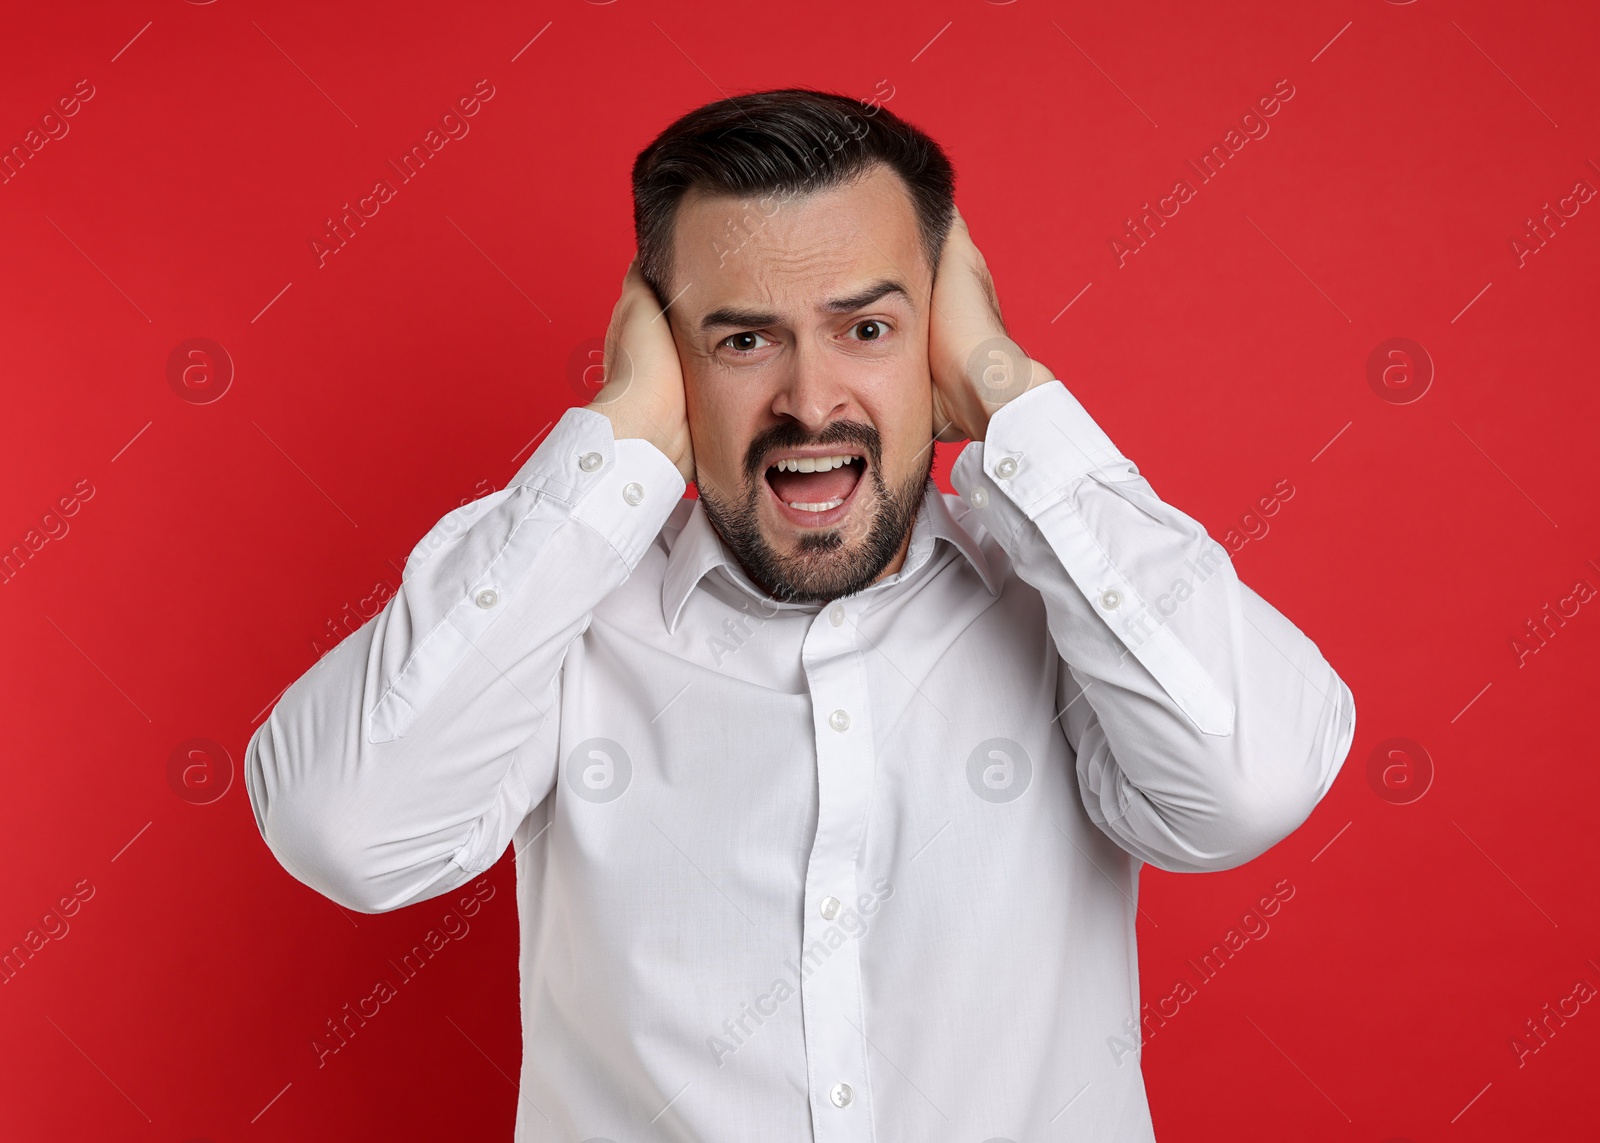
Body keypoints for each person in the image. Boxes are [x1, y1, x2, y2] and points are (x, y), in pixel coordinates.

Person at [244, 87, 1356, 1141]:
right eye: (742, 340)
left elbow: (1245, 788)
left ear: (933, 342)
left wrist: (1007, 384)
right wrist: (615, 435)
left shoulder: (1069, 612)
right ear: (670, 355)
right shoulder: (559, 623)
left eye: (865, 331)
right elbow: (343, 831)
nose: (810, 401)